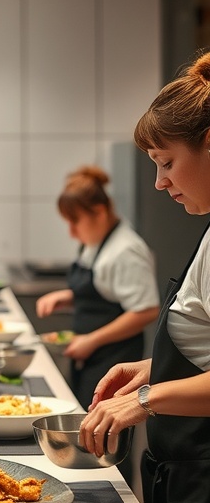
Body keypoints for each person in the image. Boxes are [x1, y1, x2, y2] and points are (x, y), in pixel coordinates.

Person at [79, 49, 210, 503]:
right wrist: (154, 368)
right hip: (183, 477)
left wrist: (149, 399)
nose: (159, 183)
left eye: (165, 162)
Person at [36, 166, 159, 410]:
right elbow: (105, 290)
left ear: (99, 212)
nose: (72, 233)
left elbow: (146, 310)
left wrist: (92, 340)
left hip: (115, 359)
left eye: (75, 222)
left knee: (106, 432)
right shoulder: (94, 242)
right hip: (91, 357)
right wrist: (69, 297)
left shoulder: (126, 250)